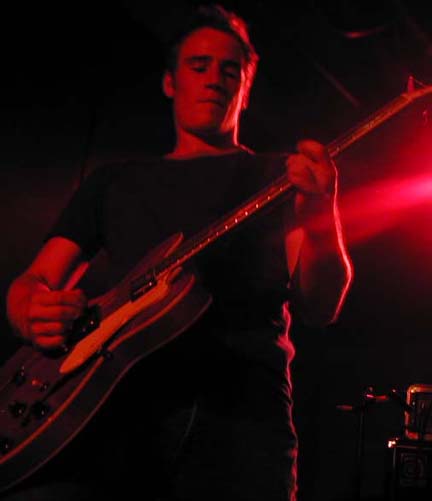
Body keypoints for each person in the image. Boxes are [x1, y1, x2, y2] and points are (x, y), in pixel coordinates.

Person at [4, 4, 352, 500]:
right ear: (170, 82)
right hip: (114, 420)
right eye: (199, 65)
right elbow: (32, 282)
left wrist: (320, 210)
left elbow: (321, 305)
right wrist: (32, 312)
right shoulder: (112, 181)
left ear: (246, 88)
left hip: (242, 429)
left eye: (230, 70)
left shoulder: (280, 177)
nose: (214, 79)